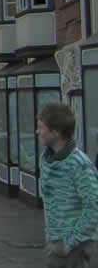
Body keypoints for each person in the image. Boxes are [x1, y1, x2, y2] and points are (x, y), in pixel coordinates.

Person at [38, 102, 98, 268]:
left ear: (56, 131)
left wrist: (70, 243)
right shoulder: (47, 160)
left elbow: (94, 207)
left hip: (73, 247)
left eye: (42, 127)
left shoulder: (79, 164)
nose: (38, 132)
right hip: (55, 240)